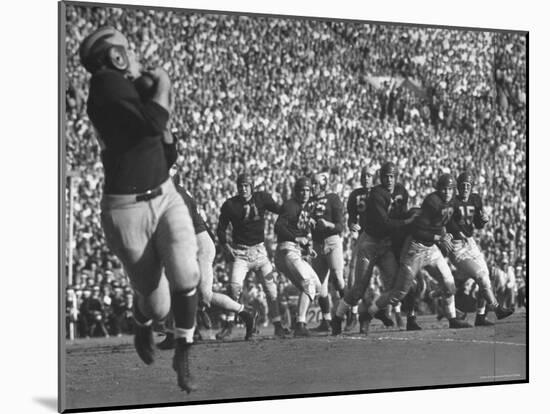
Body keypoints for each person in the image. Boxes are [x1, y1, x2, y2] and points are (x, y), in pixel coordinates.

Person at [79, 26, 199, 392]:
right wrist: (162, 83)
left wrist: (162, 121)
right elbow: (152, 122)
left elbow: (165, 148)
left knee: (186, 268)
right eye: (126, 50)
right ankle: (142, 321)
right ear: (114, 55)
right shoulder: (105, 85)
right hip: (127, 209)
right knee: (157, 302)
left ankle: (185, 347)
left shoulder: (120, 88)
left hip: (163, 193)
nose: (132, 56)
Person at [353, 173, 472, 333]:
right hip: (415, 250)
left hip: (431, 249)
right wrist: (440, 237)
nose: (448, 193)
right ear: (439, 189)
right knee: (398, 294)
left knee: (449, 282)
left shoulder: (450, 202)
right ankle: (367, 315)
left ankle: (452, 318)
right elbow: (418, 231)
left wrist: (452, 233)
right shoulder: (431, 202)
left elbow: (445, 221)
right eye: (444, 189)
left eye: (450, 189)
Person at [157, 172, 255, 349]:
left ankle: (245, 312)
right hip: (192, 243)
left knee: (205, 295)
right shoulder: (172, 194)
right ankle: (176, 332)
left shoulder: (177, 196)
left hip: (197, 243)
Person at [332, 162, 417, 335]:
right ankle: (338, 317)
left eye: (392, 176)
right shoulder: (376, 194)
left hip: (386, 244)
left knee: (396, 286)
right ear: (381, 177)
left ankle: (369, 313)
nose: (389, 179)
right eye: (386, 176)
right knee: (358, 289)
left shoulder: (401, 191)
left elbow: (402, 214)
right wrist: (408, 222)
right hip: (370, 243)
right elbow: (385, 223)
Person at [216, 173, 286, 339]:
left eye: (246, 185)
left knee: (272, 291)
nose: (243, 188)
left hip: (260, 251)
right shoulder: (230, 205)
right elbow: (221, 228)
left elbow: (280, 211)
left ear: (252, 186)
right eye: (241, 185)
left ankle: (278, 325)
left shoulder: (262, 198)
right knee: (233, 288)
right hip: (241, 252)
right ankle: (229, 324)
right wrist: (226, 246)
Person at [446, 172, 514, 326]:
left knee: (486, 279)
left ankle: (481, 316)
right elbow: (447, 222)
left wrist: (483, 221)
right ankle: (497, 309)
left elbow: (477, 224)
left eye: (468, 185)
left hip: (471, 243)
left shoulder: (475, 199)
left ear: (471, 187)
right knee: (481, 277)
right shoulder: (452, 202)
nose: (465, 188)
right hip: (457, 246)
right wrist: (457, 232)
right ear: (457, 186)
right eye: (462, 185)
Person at [274, 177, 322, 337]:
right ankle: (300, 324)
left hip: (295, 251)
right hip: (286, 250)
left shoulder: (305, 208)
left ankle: (297, 321)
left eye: (308, 190)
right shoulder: (290, 206)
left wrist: (307, 247)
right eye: (302, 190)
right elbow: (278, 227)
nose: (305, 193)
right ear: (296, 191)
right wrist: (296, 239)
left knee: (317, 287)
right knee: (308, 284)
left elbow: (299, 231)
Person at [309, 172, 346, 332]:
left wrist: (327, 224)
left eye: (316, 184)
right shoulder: (309, 202)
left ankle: (351, 312)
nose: (313, 187)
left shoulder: (333, 198)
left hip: (332, 241)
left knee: (338, 278)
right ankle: (326, 320)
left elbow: (340, 226)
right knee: (320, 287)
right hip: (317, 245)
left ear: (323, 185)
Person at [345, 165, 377, 330]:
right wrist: (352, 225)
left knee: (388, 276)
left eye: (369, 175)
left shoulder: (380, 192)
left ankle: (402, 313)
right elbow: (351, 217)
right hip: (363, 238)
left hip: (380, 237)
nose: (366, 178)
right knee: (355, 277)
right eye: (364, 175)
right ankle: (354, 313)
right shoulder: (355, 195)